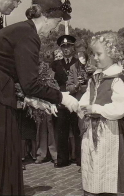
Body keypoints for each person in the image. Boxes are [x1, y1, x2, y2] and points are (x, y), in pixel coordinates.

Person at [0, 0, 78, 195]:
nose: (56, 27)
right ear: (46, 16)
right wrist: (63, 97)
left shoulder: (20, 30)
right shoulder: (28, 36)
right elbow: (30, 83)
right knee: (3, 155)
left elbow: (14, 75)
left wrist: (34, 100)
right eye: (58, 21)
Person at [78, 32, 124, 196]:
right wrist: (81, 106)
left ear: (112, 53)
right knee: (93, 165)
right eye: (93, 54)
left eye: (98, 54)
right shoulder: (94, 77)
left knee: (107, 168)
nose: (94, 58)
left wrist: (96, 109)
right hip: (93, 130)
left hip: (109, 130)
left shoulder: (116, 78)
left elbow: (120, 108)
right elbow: (87, 96)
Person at [52, 34, 77, 168]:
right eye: (64, 47)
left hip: (75, 100)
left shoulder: (79, 63)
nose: (66, 49)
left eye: (69, 46)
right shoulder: (56, 64)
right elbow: (52, 82)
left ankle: (79, 158)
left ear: (73, 48)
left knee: (77, 129)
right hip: (61, 100)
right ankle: (62, 159)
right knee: (61, 131)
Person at [66, 51, 89, 170]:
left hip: (93, 102)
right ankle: (83, 162)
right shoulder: (73, 68)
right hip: (81, 105)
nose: (81, 57)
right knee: (82, 132)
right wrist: (76, 85)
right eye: (79, 55)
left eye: (83, 55)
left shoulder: (93, 65)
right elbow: (68, 87)